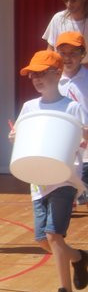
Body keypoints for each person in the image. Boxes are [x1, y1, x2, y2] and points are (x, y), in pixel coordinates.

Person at [9, 50, 88, 292]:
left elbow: (81, 134)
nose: (36, 79)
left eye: (42, 73)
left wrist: (83, 137)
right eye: (33, 75)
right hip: (38, 180)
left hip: (64, 176)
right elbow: (20, 134)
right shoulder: (30, 107)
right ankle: (78, 258)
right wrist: (14, 136)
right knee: (43, 240)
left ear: (57, 73)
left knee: (54, 235)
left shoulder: (72, 106)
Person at [55, 31, 88, 204]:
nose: (67, 58)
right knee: (66, 195)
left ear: (83, 54)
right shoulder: (52, 78)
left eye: (73, 53)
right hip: (63, 144)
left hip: (86, 145)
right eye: (63, 53)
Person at [43, 0, 87, 65]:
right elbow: (50, 50)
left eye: (73, 0)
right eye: (66, 0)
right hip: (62, 72)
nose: (69, 5)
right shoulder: (58, 18)